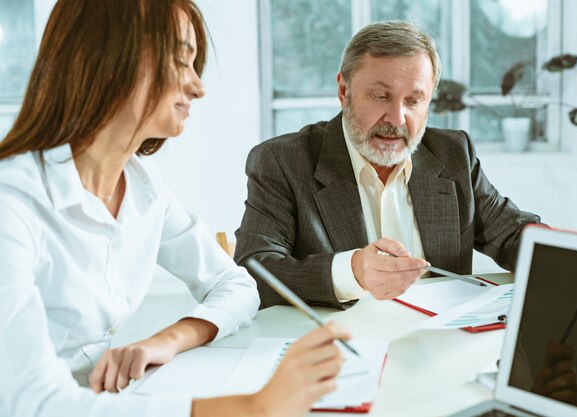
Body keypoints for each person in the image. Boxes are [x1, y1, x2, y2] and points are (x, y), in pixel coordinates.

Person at [0, 1, 349, 417]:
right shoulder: (13, 204)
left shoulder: (142, 186)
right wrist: (254, 407)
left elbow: (236, 285)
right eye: (180, 61)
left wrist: (168, 339)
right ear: (106, 59)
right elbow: (33, 403)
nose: (197, 86)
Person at [235, 21, 541, 309]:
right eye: (381, 96)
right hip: (341, 351)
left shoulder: (453, 154)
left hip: (440, 348)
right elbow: (253, 272)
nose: (397, 119)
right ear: (344, 92)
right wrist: (352, 272)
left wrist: (561, 254)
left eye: (413, 101)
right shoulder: (282, 162)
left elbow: (513, 234)